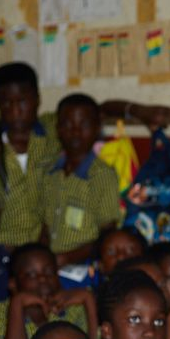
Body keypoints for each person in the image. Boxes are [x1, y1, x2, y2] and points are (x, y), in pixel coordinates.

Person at [0, 62, 60, 247]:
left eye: (22, 101)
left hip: (42, 248)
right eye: (6, 103)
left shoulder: (53, 130)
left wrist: (132, 110)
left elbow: (91, 112)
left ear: (37, 99)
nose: (15, 111)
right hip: (1, 248)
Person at [41, 93, 122, 267]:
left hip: (85, 265)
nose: (75, 132)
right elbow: (45, 227)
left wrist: (67, 258)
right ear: (58, 129)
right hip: (53, 264)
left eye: (84, 125)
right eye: (67, 125)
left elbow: (107, 233)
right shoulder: (51, 172)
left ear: (97, 128)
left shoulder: (101, 175)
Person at [0, 243, 97, 339]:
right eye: (31, 275)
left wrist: (88, 299)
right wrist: (17, 304)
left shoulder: (73, 308)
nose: (43, 279)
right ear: (13, 284)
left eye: (49, 272)